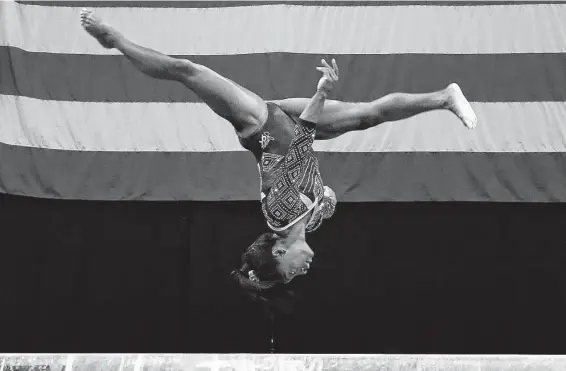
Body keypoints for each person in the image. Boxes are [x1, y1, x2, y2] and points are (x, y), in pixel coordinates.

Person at [80, 9, 477, 299]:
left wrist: (322, 91)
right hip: (289, 124)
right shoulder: (312, 222)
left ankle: (115, 40)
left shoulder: (283, 211)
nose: (300, 273)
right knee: (367, 116)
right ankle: (444, 97)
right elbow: (322, 191)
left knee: (187, 71)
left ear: (280, 250)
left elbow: (302, 144)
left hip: (260, 122)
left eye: (288, 273)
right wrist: (325, 200)